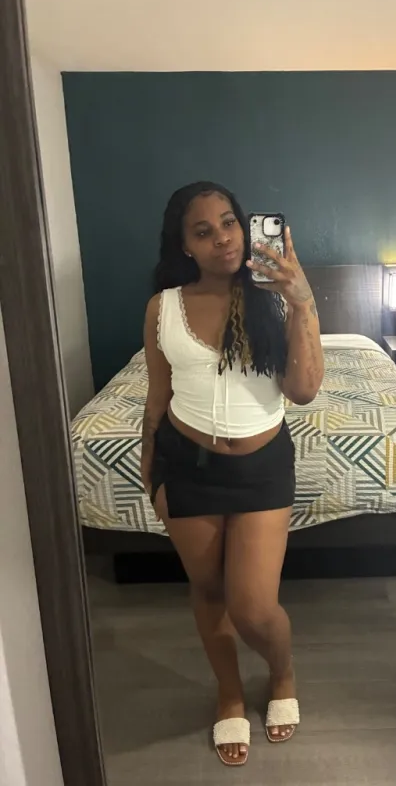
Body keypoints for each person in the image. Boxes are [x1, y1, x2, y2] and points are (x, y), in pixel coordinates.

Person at [140, 181, 324, 767]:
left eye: (228, 223)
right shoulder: (164, 307)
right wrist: (149, 471)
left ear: (245, 228)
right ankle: (229, 693)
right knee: (208, 591)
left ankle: (282, 672)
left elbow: (303, 390)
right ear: (185, 246)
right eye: (204, 231)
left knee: (253, 607)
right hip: (185, 466)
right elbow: (156, 397)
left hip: (261, 470)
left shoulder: (275, 298)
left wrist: (302, 300)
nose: (222, 238)